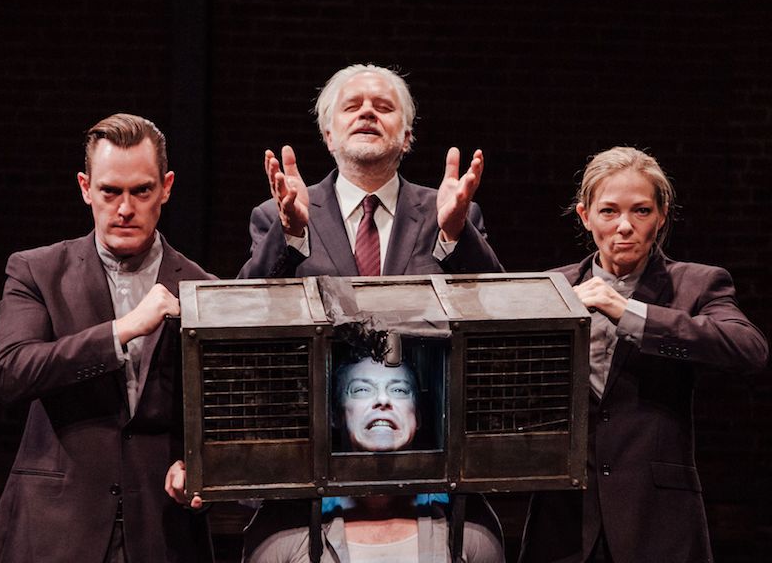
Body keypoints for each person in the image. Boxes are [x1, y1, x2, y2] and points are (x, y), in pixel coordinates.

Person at [518, 147, 768, 563]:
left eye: (641, 211)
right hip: (563, 519)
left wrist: (629, 312)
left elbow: (748, 348)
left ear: (662, 215)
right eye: (609, 211)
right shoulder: (552, 288)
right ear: (585, 216)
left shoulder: (695, 283)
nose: (625, 227)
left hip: (656, 519)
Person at [0, 114, 213, 563]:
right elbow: (9, 371)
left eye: (141, 191)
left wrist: (200, 464)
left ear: (165, 187)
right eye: (110, 191)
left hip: (163, 530)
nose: (124, 208)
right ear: (86, 188)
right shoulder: (37, 271)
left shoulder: (202, 287)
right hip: (56, 525)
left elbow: (222, 412)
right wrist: (120, 331)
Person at [238, 63, 502, 279]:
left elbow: (496, 304)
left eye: (384, 107)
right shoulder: (276, 216)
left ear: (406, 138)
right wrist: (290, 233)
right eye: (352, 106)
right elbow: (249, 306)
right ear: (329, 136)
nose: (367, 112)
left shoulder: (452, 215)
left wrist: (455, 234)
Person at [243, 349, 505, 562]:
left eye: (399, 390)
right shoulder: (286, 524)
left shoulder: (465, 520)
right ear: (335, 414)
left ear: (419, 415)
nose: (383, 400)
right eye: (361, 390)